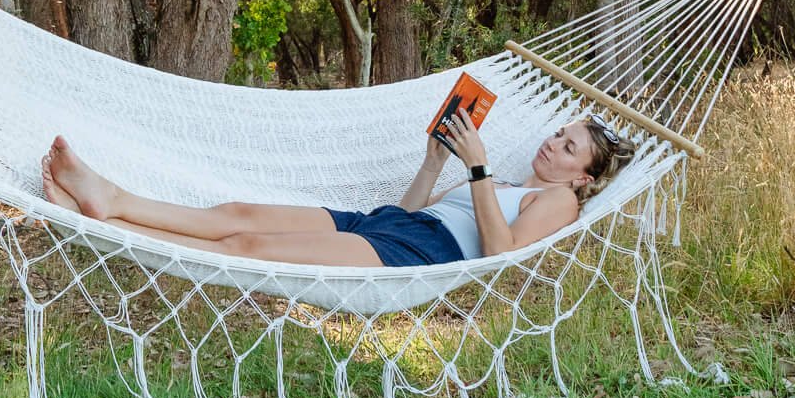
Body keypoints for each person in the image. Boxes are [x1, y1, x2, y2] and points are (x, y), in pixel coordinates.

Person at [38, 106, 633, 269]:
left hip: (425, 255)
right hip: (391, 226)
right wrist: (434, 162)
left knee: (249, 250)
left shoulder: (558, 200)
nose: (554, 144)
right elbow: (407, 211)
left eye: (569, 146)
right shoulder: (504, 178)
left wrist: (475, 169)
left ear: (583, 176)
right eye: (559, 133)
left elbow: (501, 255)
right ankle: (110, 200)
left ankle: (103, 219)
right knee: (237, 212)